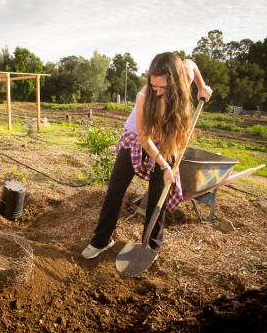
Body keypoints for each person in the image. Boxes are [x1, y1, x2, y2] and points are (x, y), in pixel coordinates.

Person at [82, 52, 212, 259]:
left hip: (165, 141)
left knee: (158, 195)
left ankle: (150, 246)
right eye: (154, 86)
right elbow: (144, 139)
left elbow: (191, 64)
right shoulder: (144, 96)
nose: (158, 92)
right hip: (136, 138)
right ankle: (101, 241)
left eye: (164, 88)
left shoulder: (184, 77)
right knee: (115, 190)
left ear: (176, 82)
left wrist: (202, 87)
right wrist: (165, 166)